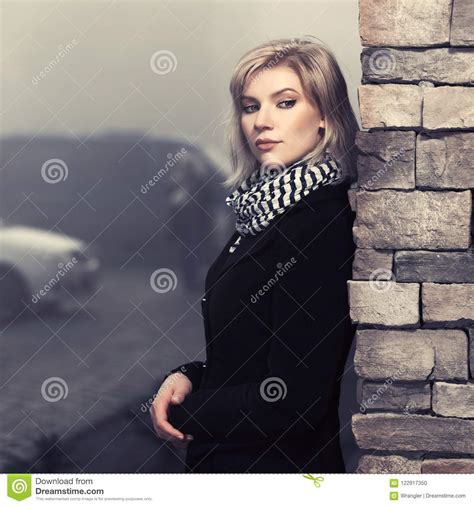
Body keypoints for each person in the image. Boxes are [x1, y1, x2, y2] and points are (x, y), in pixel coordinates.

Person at [150, 36, 359, 473]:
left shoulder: (317, 223)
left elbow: (295, 399)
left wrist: (182, 415)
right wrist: (189, 375)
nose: (262, 121)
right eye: (250, 106)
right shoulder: (258, 211)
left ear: (324, 116)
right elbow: (248, 353)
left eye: (285, 103)